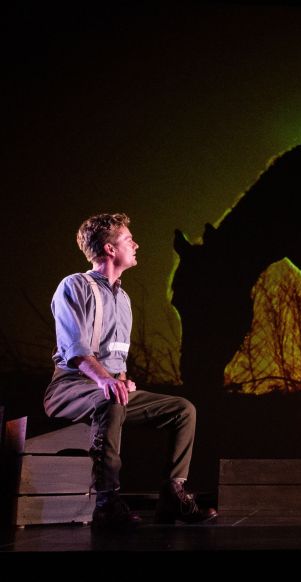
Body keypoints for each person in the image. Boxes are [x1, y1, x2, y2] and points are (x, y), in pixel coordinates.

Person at [45, 213, 217, 530]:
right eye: (128, 239)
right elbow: (76, 350)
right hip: (71, 389)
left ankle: (172, 493)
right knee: (109, 401)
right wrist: (108, 382)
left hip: (108, 388)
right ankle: (107, 502)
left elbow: (116, 358)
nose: (135, 244)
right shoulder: (75, 286)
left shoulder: (122, 298)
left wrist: (122, 381)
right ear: (110, 249)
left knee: (183, 410)